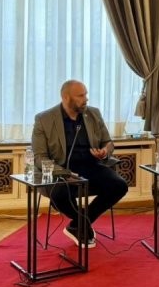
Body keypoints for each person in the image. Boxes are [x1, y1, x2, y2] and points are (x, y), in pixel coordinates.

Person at [31, 80, 129, 248]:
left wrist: (104, 151)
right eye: (80, 96)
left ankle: (78, 225)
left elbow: (108, 142)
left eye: (86, 94)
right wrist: (64, 173)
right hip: (61, 169)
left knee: (119, 185)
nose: (86, 99)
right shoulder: (44, 119)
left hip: (91, 166)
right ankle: (83, 225)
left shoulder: (93, 114)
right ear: (66, 97)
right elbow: (39, 157)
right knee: (59, 193)